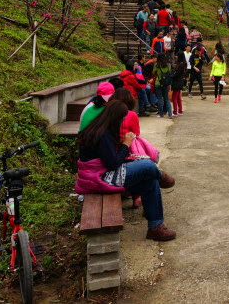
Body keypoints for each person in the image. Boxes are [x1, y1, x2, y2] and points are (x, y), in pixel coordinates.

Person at [75, 101, 176, 241]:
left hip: (98, 174)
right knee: (147, 165)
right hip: (100, 178)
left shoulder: (99, 128)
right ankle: (161, 177)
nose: (123, 121)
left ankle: (155, 227)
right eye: (122, 118)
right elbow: (113, 163)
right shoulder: (103, 134)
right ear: (115, 118)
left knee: (150, 181)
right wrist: (125, 145)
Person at [151, 54, 173, 119]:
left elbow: (153, 72)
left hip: (158, 82)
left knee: (160, 99)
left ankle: (161, 114)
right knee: (166, 99)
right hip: (166, 83)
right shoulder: (168, 65)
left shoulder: (157, 65)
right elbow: (169, 73)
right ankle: (170, 114)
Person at [170, 52, 187, 116]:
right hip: (179, 81)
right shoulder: (182, 64)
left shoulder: (180, 65)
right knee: (178, 97)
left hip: (177, 82)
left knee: (174, 97)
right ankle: (180, 110)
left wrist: (172, 74)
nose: (176, 57)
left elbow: (176, 74)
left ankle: (175, 111)